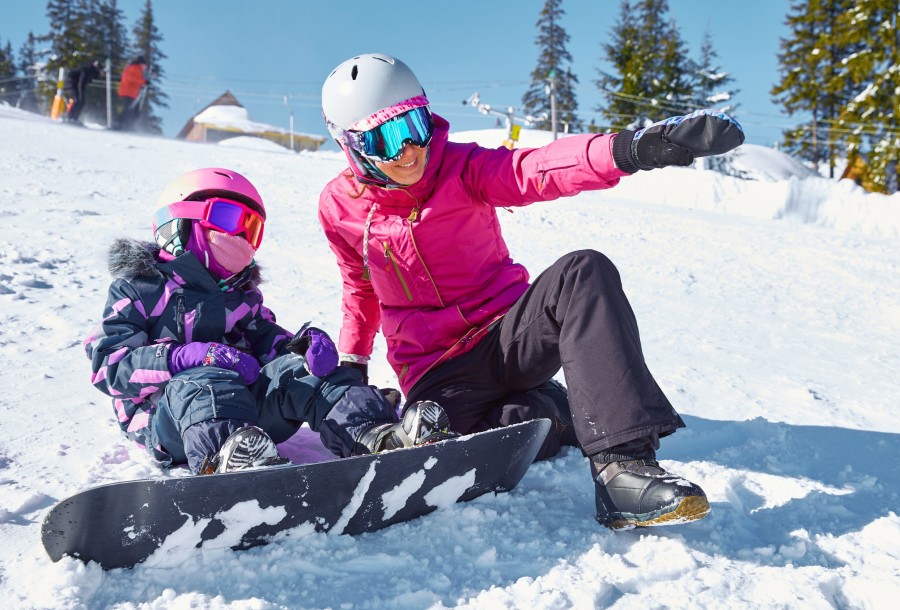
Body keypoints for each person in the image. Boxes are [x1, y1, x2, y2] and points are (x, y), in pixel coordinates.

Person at [318, 53, 745, 529]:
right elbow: (359, 286)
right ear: (351, 145)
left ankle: (623, 469)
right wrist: (352, 361)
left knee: (584, 271)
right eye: (384, 139)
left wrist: (631, 148)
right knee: (450, 436)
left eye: (413, 126)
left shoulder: (461, 167)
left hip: (508, 335)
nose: (409, 151)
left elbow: (536, 168)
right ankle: (552, 414)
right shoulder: (339, 208)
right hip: (437, 371)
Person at [84, 167, 457, 475]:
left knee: (300, 371)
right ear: (181, 223)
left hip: (246, 415)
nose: (241, 237)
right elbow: (109, 368)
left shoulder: (240, 296)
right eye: (230, 220)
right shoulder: (139, 289)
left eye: (251, 228)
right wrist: (184, 357)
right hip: (167, 421)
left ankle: (375, 434)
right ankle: (226, 462)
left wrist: (304, 347)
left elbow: (269, 344)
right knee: (204, 379)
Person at [63, 59, 104, 124]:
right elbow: (81, 84)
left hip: (74, 84)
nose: (102, 73)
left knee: (81, 102)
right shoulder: (88, 71)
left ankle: (74, 118)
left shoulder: (92, 73)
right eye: (102, 71)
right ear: (98, 69)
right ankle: (69, 118)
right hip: (70, 83)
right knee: (77, 100)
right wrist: (81, 95)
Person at [116, 55, 148, 131]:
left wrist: (143, 83)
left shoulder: (136, 69)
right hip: (127, 93)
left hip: (132, 93)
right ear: (141, 64)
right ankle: (120, 124)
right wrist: (144, 82)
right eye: (145, 65)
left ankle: (128, 125)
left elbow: (136, 80)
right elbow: (131, 78)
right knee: (129, 110)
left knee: (134, 111)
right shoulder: (134, 68)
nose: (145, 67)